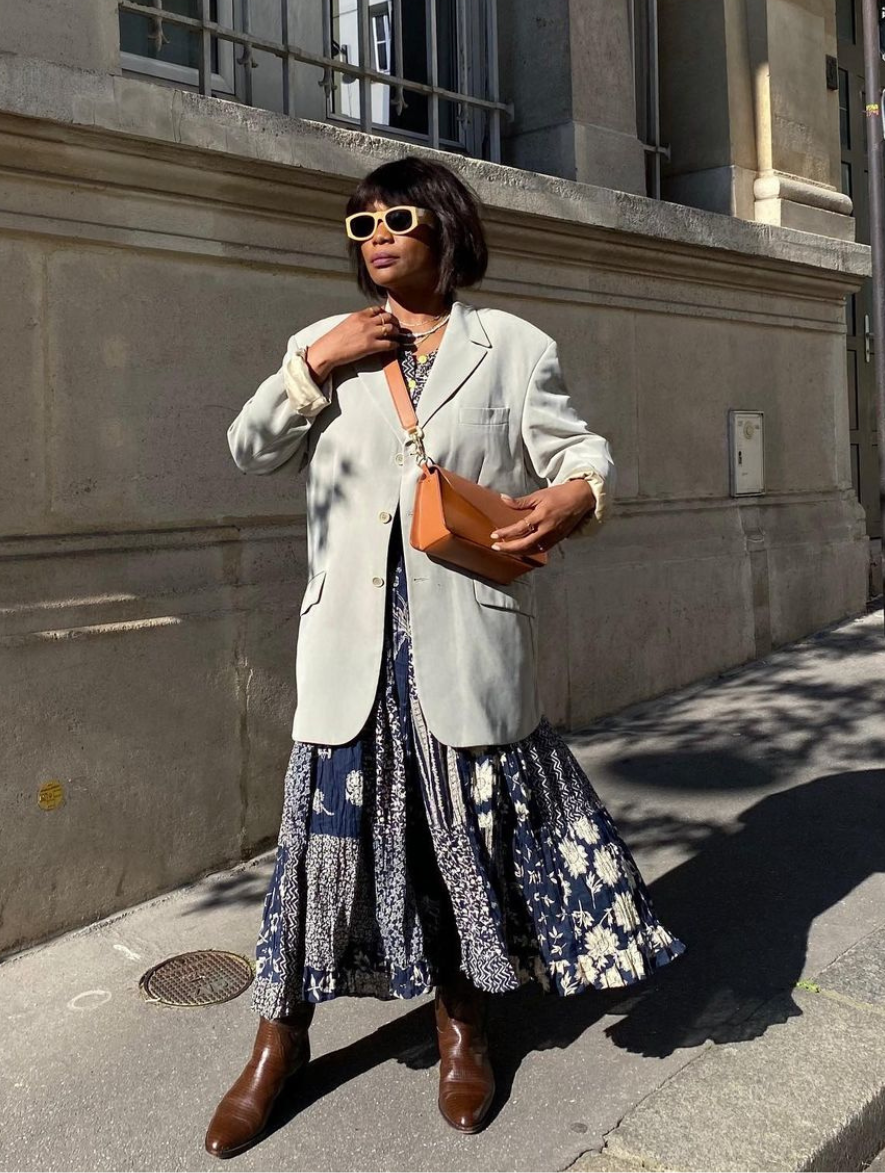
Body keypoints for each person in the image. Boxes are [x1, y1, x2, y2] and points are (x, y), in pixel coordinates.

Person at [208, 155, 683, 1158]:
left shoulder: (512, 349)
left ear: (448, 232)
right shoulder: (319, 343)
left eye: (398, 220)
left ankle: (461, 1022)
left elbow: (577, 453)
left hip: (460, 644)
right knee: (317, 855)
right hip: (351, 653)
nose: (376, 235)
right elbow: (248, 450)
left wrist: (573, 495)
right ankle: (277, 1037)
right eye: (360, 225)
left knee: (453, 842)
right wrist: (316, 367)